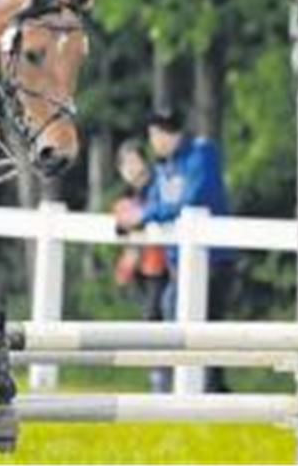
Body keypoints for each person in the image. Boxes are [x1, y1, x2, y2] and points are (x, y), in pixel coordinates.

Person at [115, 109, 237, 393]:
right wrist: (143, 215)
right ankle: (173, 387)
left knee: (209, 327)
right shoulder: (164, 167)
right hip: (178, 264)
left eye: (158, 135)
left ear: (172, 133)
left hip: (213, 260)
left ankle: (210, 390)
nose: (155, 142)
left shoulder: (201, 153)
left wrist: (144, 217)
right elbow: (157, 202)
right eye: (152, 136)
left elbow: (191, 200)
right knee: (172, 317)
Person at [112, 139, 172, 393]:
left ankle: (164, 379)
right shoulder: (128, 197)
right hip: (144, 269)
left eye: (135, 160)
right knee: (151, 320)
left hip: (164, 266)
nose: (132, 168)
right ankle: (158, 377)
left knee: (160, 320)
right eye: (126, 164)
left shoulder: (157, 186)